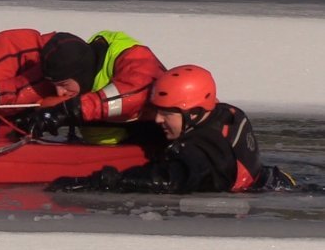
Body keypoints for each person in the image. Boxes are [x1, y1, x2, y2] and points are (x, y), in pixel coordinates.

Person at [47, 65, 298, 194]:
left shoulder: (204, 153)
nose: (157, 119)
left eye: (166, 113)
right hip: (274, 178)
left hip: (253, 193)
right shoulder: (220, 113)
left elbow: (167, 180)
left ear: (194, 113)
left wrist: (103, 181)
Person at [22, 30, 167, 145]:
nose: (59, 92)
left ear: (82, 75)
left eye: (64, 85)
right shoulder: (84, 58)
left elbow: (136, 92)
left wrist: (68, 110)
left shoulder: (132, 56)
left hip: (143, 140)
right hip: (100, 146)